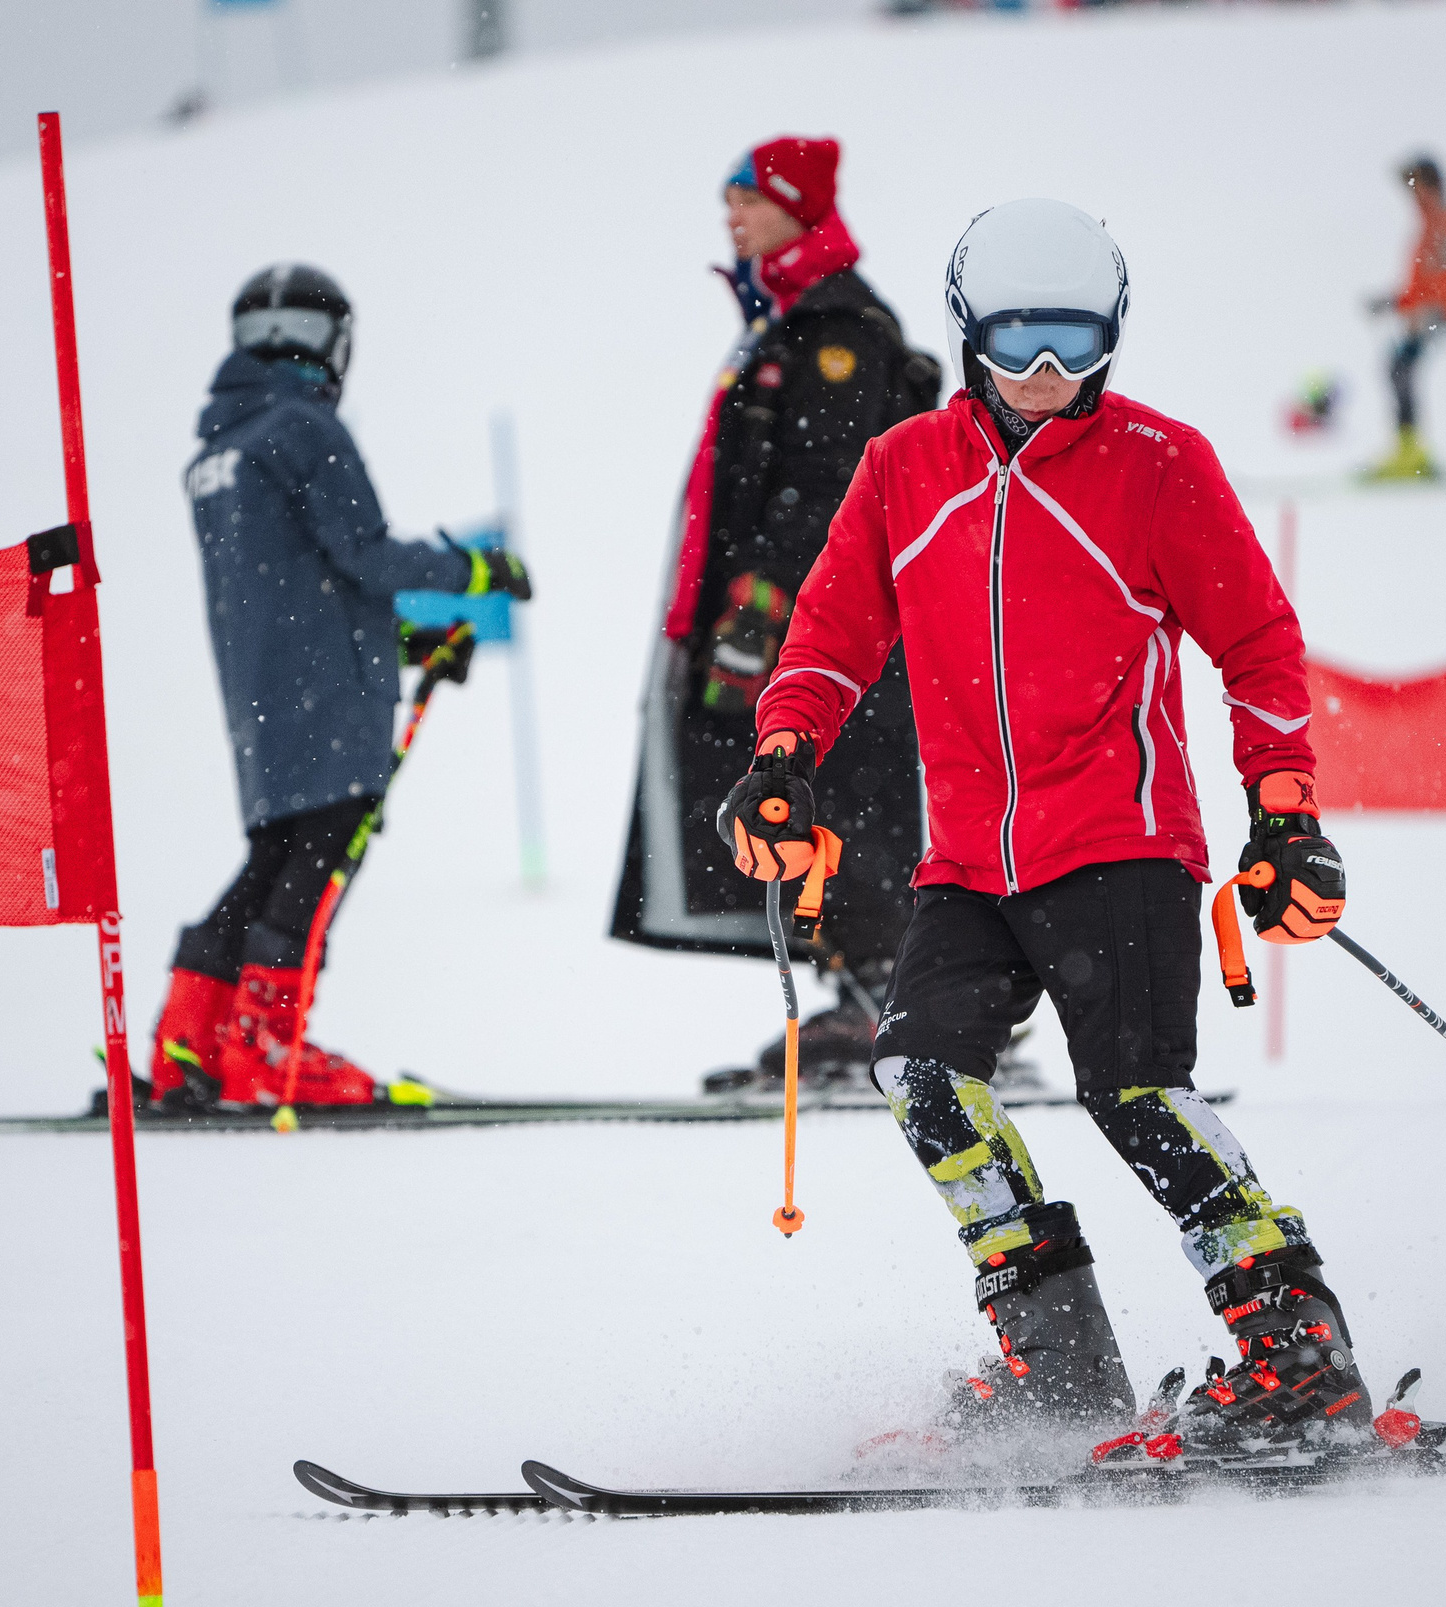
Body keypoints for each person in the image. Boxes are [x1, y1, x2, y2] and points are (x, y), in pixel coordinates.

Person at [717, 199, 1371, 1453]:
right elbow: (830, 635)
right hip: (967, 857)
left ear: (1112, 336)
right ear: (970, 334)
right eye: (1017, 346)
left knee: (1133, 1093)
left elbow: (1258, 646)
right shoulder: (904, 468)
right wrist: (783, 755)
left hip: (1118, 842)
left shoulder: (1158, 464)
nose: (1043, 377)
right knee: (921, 1078)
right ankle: (1055, 1363)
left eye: (1072, 346)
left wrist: (1282, 812)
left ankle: (1299, 1353)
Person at [148, 264, 531, 1112]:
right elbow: (364, 554)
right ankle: (266, 1047)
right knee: (319, 861)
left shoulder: (223, 448)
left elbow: (302, 589)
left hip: (265, 696)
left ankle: (192, 1037)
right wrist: (474, 570)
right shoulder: (304, 428)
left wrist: (410, 638)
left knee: (277, 857)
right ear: (329, 341)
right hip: (329, 699)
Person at [612, 135, 938, 1086]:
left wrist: (759, 610)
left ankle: (887, 1000)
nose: (733, 218)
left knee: (847, 786)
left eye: (747, 200)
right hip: (799, 618)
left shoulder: (839, 328)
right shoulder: (788, 318)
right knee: (794, 787)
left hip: (839, 626)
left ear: (798, 205)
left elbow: (827, 497)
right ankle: (865, 989)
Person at [1364, 155, 1446, 482]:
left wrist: (1435, 309)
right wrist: (1395, 301)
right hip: (1421, 314)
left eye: (1416, 185)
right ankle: (1408, 450)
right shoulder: (1430, 223)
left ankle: (1412, 454)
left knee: (1401, 371)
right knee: (1397, 371)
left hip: (1433, 316)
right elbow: (1421, 282)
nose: (1413, 194)